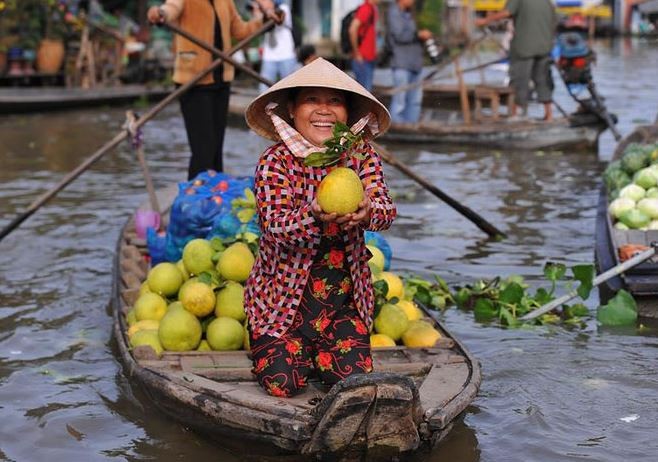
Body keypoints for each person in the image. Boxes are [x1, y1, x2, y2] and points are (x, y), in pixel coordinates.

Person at [243, 58, 396, 397]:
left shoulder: (361, 156)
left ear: (347, 112)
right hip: (281, 304)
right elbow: (275, 228)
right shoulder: (275, 162)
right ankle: (271, 339)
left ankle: (322, 348)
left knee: (352, 382)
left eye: (335, 101)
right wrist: (312, 213)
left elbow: (386, 210)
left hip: (342, 304)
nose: (323, 111)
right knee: (283, 384)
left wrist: (369, 210)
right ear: (294, 109)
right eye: (312, 99)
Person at [147, 0, 277, 180]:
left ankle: (215, 193)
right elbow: (171, 8)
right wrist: (160, 13)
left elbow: (240, 31)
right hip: (194, 80)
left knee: (216, 148)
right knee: (203, 148)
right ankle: (198, 194)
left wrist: (264, 21)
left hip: (220, 80)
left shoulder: (225, 2)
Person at [476, 0, 558, 121]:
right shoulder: (547, 2)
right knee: (543, 80)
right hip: (544, 47)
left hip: (524, 47)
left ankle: (514, 114)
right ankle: (549, 114)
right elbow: (554, 21)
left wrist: (485, 20)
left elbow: (506, 12)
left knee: (519, 81)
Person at [387, 0, 433, 124]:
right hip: (402, 63)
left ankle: (411, 125)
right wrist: (419, 35)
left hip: (415, 63)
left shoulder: (408, 14)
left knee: (415, 99)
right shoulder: (394, 13)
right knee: (400, 100)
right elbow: (400, 36)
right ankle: (397, 126)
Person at [258, 0, 298, 93]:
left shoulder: (284, 8)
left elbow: (280, 18)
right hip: (269, 56)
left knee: (290, 88)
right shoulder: (263, 10)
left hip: (286, 55)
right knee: (264, 90)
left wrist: (268, 12)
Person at [349, 0, 380, 91]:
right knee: (364, 93)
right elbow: (352, 29)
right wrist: (357, 53)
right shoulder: (365, 8)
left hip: (369, 58)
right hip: (362, 58)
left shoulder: (372, 9)